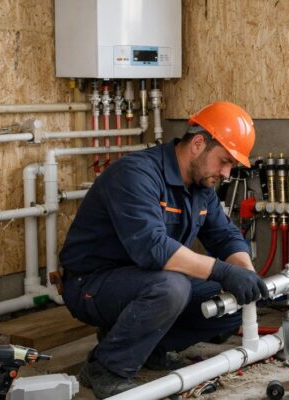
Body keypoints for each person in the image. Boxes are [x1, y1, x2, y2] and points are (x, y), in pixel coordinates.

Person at [58, 101, 268, 398]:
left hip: (146, 278)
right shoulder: (135, 174)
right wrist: (223, 271)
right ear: (198, 143)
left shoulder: (201, 188)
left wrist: (244, 272)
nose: (226, 173)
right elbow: (152, 248)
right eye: (224, 161)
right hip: (90, 284)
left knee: (236, 303)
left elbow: (224, 235)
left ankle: (144, 345)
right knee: (172, 287)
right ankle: (107, 367)